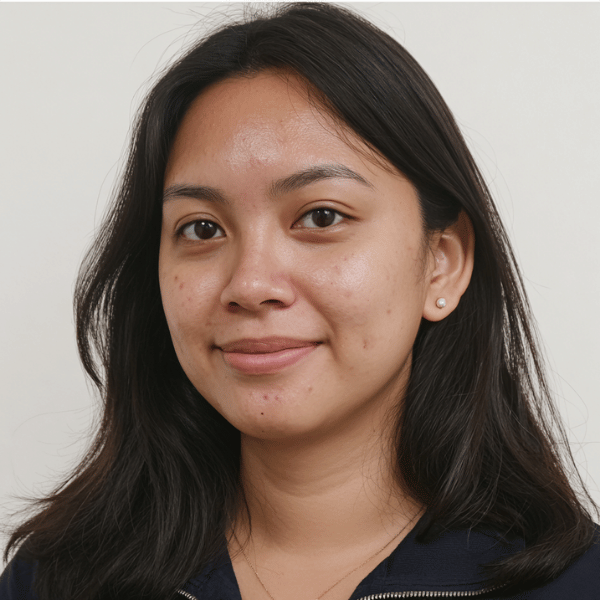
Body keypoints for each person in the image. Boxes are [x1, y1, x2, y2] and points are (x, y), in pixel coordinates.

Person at [1, 3, 598, 599]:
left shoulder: (576, 583)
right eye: (202, 228)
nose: (250, 284)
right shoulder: (51, 582)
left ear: (442, 262)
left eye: (321, 216)